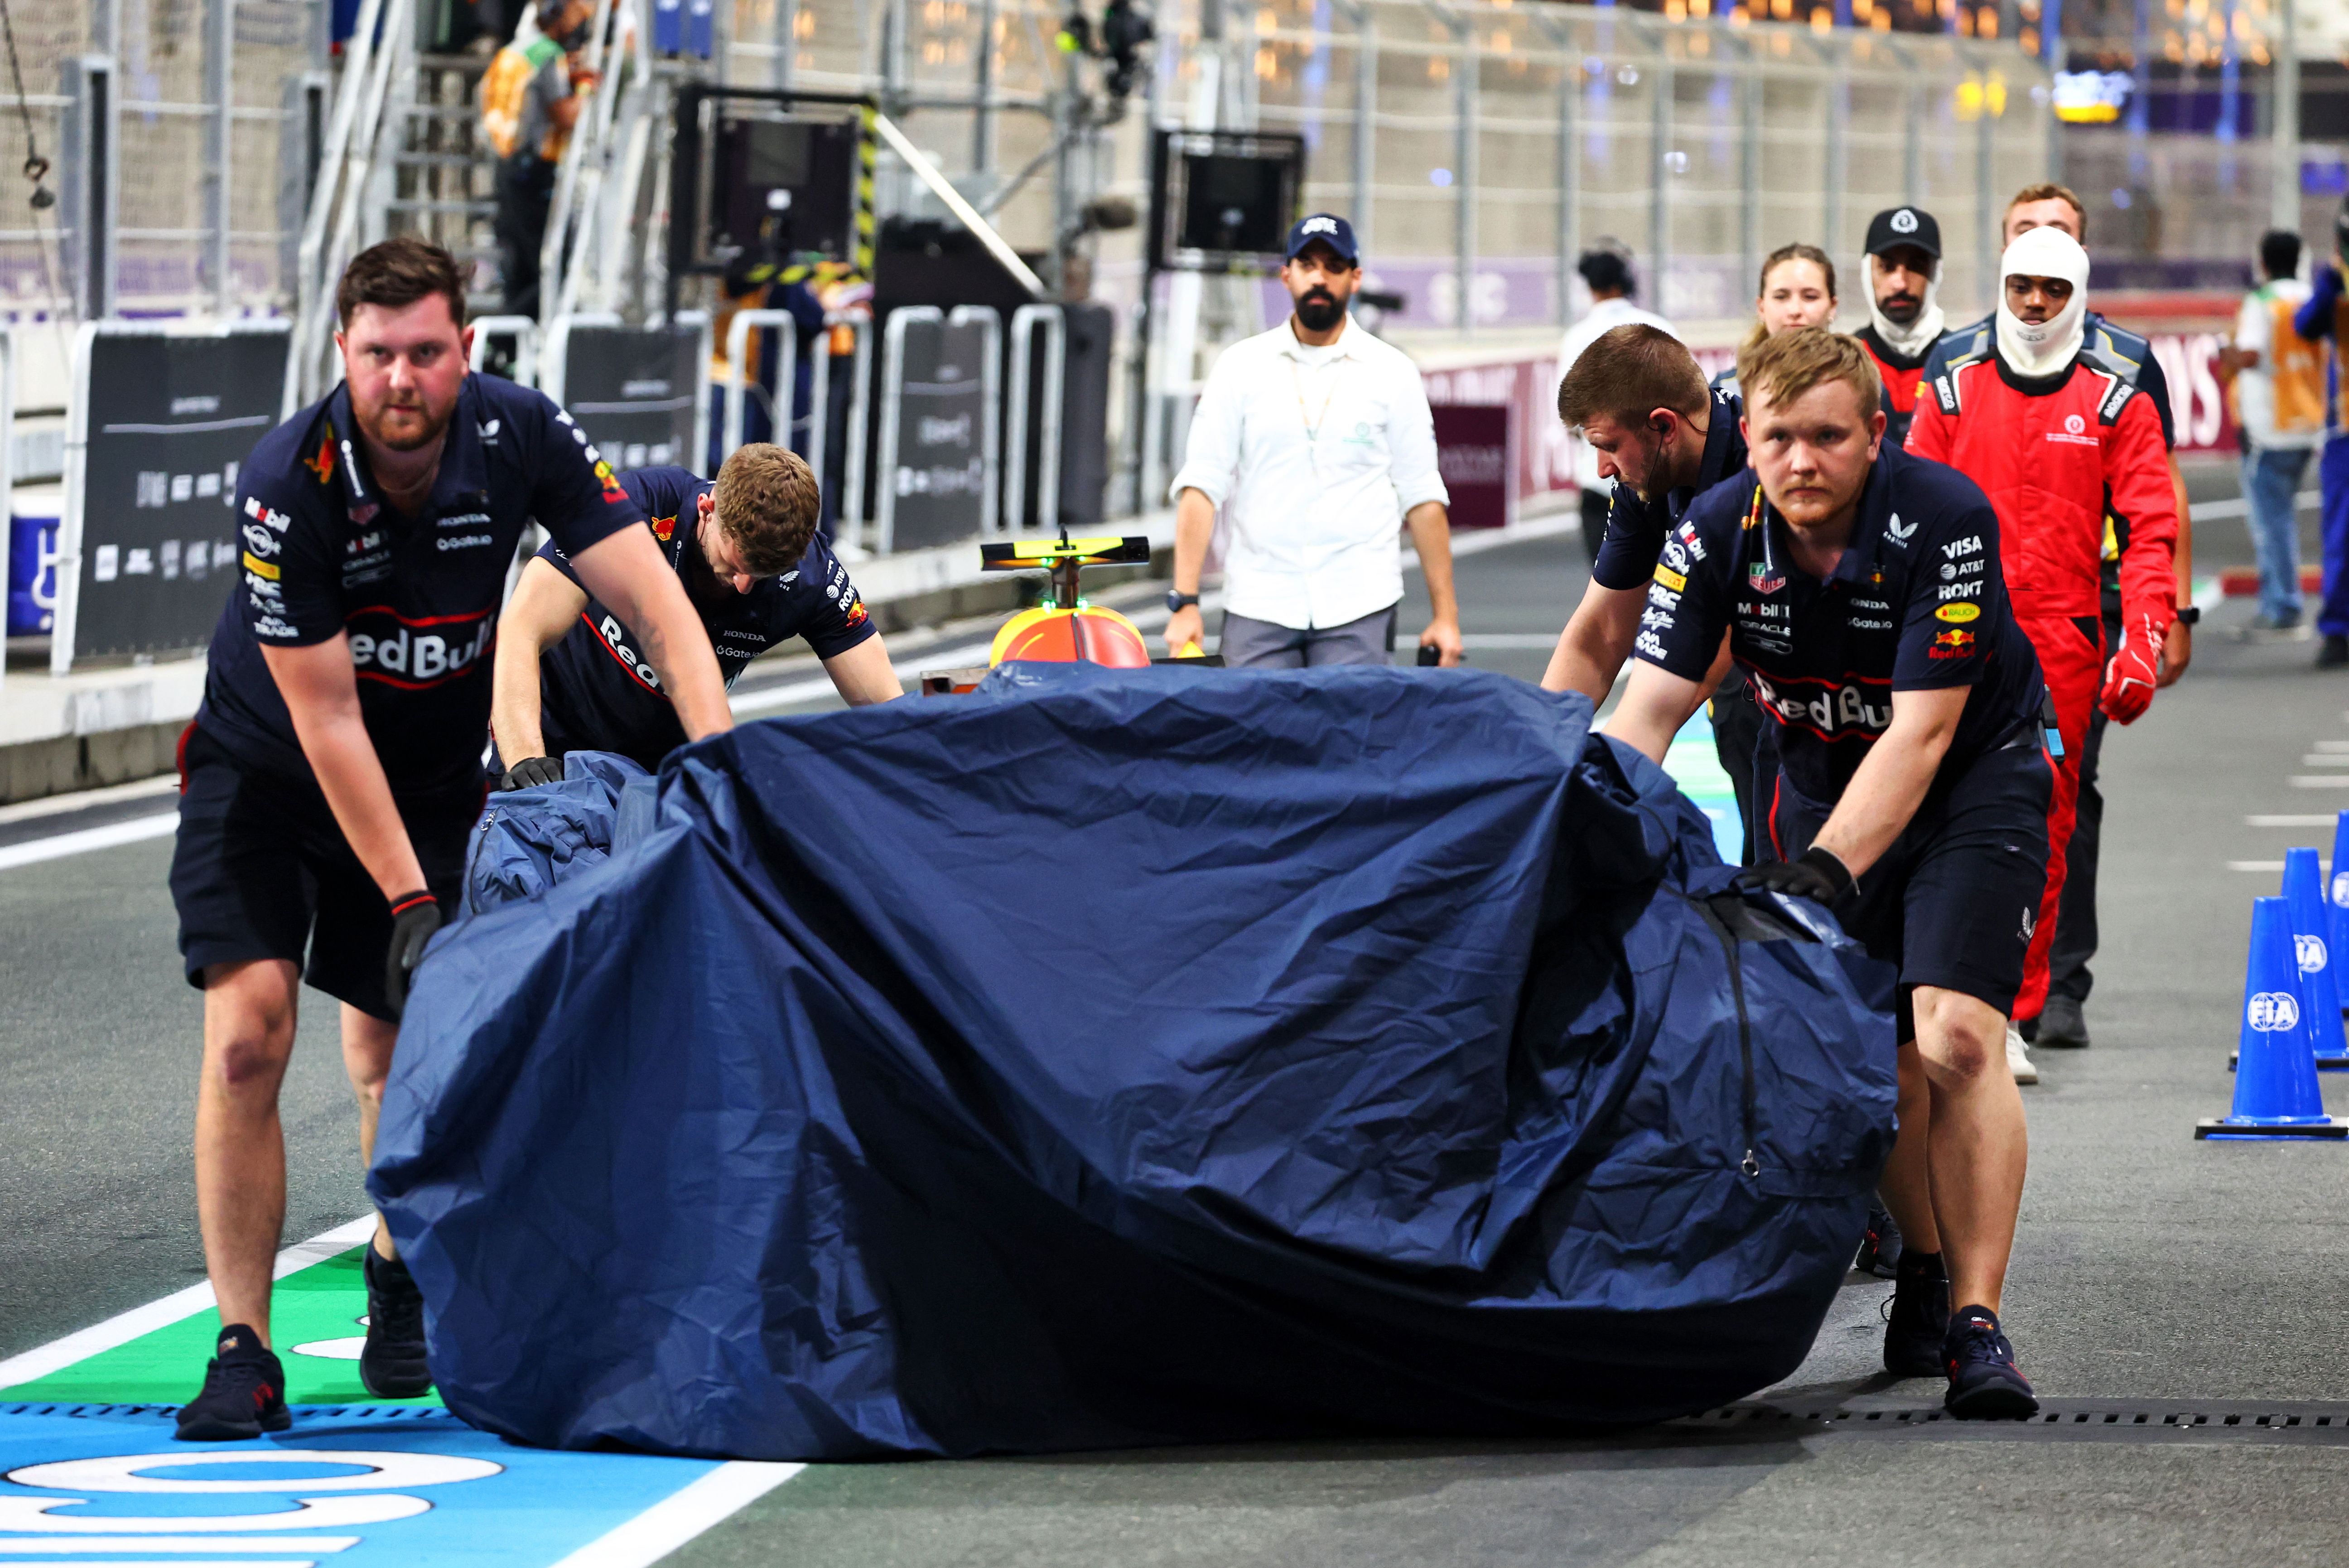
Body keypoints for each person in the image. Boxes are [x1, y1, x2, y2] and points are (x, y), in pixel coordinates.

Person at [169, 237, 731, 1441]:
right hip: (269, 770)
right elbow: (325, 721)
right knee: (247, 1035)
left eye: (427, 351)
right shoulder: (288, 480)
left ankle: (394, 1260)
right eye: (378, 355)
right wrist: (413, 905)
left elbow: (666, 614)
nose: (402, 377)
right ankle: (243, 1348)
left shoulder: (524, 433)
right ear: (343, 356)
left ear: (465, 352)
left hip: (425, 769)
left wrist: (722, 773)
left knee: (405, 1042)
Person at [1605, 327, 2048, 1419]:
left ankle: (1978, 1323)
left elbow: (1922, 733)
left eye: (1826, 438)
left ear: (1872, 436)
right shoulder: (1709, 532)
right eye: (1777, 438)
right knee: (1874, 1061)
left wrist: (1820, 873)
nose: (1801, 460)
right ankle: (1928, 1261)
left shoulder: (1944, 519)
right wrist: (1573, 823)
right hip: (1818, 782)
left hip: (1966, 779)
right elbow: (1645, 709)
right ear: (1744, 439)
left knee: (1949, 1034)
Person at [1930, 182, 2198, 1056]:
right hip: (1958, 630)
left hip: (2065, 641)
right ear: (2002, 284)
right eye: (2022, 288)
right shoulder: (1955, 385)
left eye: (2053, 290)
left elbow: (2154, 525)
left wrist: (2145, 634)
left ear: (2078, 292)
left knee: (2044, 821)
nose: (2036, 305)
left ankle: (2018, 1003)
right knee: (1933, 807)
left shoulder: (2119, 395)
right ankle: (1942, 992)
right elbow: (1905, 510)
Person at [492, 447, 902, 779]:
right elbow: (521, 630)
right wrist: (526, 760)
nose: (744, 585)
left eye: (763, 574)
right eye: (736, 563)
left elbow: (889, 711)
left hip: (659, 771)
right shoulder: (633, 508)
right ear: (707, 510)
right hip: (552, 741)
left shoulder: (812, 576)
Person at [1162, 214, 1460, 668]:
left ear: (1355, 278)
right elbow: (1201, 485)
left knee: (1351, 739)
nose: (1319, 277)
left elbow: (1421, 495)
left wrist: (1446, 616)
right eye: (1307, 264)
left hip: (1359, 602)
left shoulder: (1393, 372)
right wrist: (1184, 601)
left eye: (1334, 266)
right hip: (1259, 600)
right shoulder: (1240, 366)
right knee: (1255, 737)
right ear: (1286, 275)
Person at [1702, 245, 1839, 859]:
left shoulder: (1864, 398)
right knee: (1760, 832)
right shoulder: (1722, 401)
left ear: (1833, 307)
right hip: (1741, 648)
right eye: (1782, 297)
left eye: (1810, 296)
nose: (1796, 310)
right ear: (1761, 306)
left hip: (1836, 648)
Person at [1541, 325, 1744, 702]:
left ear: (1664, 425)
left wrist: (1626, 744)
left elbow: (1721, 634)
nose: (1602, 470)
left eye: (1609, 446)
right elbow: (1603, 629)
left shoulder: (1764, 468)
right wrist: (1541, 737)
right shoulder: (1644, 484)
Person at [2221, 230, 2323, 633]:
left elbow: (2248, 353)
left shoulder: (2260, 302)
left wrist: (2222, 351)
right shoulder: (2310, 297)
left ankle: (2281, 605)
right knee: (2282, 520)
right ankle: (2283, 602)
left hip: (2268, 428)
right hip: (2308, 420)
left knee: (2271, 524)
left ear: (2262, 262)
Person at [1555, 248, 1674, 567]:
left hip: (1598, 479)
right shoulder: (1658, 328)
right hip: (1655, 479)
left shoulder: (1577, 337)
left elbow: (1567, 415)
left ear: (1589, 286)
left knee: (1606, 583)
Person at [481, 0, 593, 320]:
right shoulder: (547, 55)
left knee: (521, 269)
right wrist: (585, 88)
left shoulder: (514, 52)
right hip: (533, 171)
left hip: (508, 166)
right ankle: (503, 342)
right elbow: (566, 115)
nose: (580, 22)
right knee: (553, 269)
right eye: (575, 14)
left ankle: (507, 347)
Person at [2292, 204, 2349, 668]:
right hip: (2344, 428)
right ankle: (2337, 629)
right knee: (2341, 532)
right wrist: (2331, 279)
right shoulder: (2336, 284)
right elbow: (2306, 324)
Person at [1854, 206, 1947, 447]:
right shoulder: (1845, 361)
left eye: (1916, 267)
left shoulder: (1961, 362)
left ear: (1935, 274)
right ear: (1868, 273)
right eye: (1887, 267)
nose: (1901, 283)